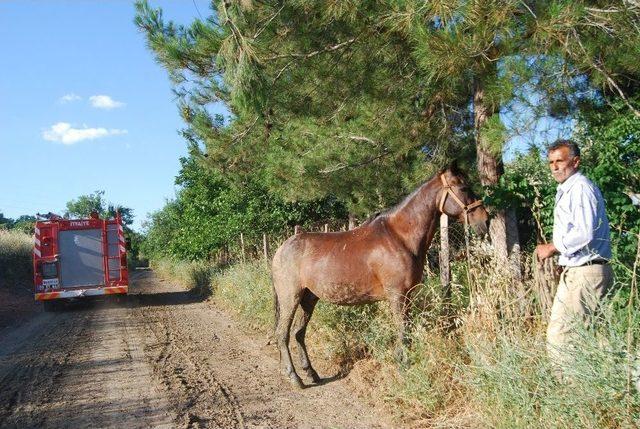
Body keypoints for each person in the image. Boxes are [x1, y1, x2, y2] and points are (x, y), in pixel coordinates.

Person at [535, 139, 613, 373]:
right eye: (551, 162)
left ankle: (570, 392)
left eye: (560, 161)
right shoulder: (570, 188)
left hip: (586, 271)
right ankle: (606, 392)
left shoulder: (579, 188)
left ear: (576, 162)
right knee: (596, 337)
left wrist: (553, 247)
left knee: (561, 335)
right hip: (584, 269)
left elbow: (584, 232)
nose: (555, 167)